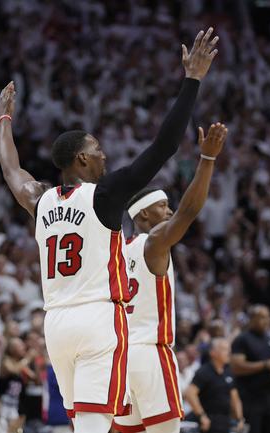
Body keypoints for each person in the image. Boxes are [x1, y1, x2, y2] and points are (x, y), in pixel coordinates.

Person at [0, 26, 218, 433]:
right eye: (97, 152)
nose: (104, 157)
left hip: (55, 324)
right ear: (81, 159)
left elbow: (12, 169)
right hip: (98, 319)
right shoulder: (104, 195)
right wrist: (192, 81)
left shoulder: (40, 200)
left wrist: (4, 121)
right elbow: (164, 147)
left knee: (84, 425)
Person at [113, 121, 228, 433]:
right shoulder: (154, 242)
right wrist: (207, 161)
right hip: (151, 352)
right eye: (162, 206)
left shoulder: (118, 252)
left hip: (121, 358)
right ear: (143, 216)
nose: (168, 212)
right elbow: (188, 213)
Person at [230, 305, 270, 433]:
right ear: (252, 319)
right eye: (262, 317)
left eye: (268, 317)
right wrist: (266, 365)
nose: (266, 320)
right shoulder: (242, 339)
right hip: (250, 398)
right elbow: (236, 367)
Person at [185, 338, 244, 433]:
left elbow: (235, 397)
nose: (228, 352)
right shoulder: (204, 371)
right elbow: (190, 394)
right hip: (208, 422)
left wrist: (240, 418)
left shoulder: (228, 371)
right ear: (213, 352)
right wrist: (202, 416)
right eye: (224, 349)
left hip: (225, 421)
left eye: (229, 349)